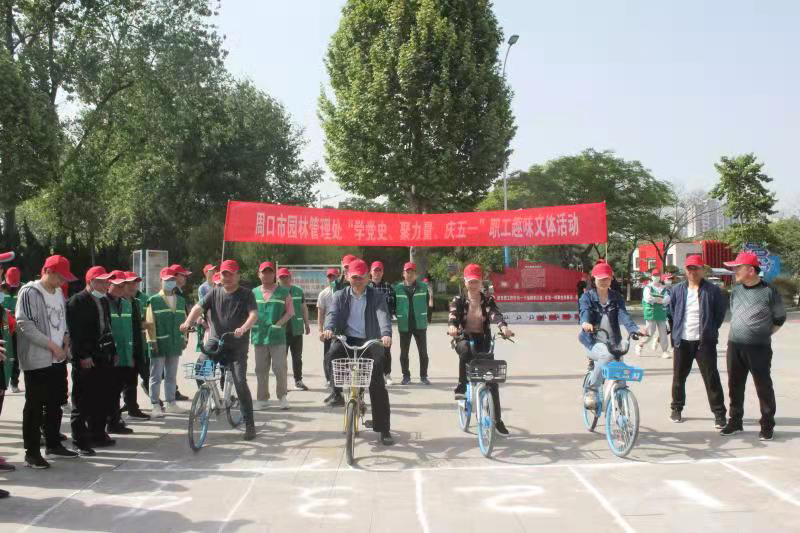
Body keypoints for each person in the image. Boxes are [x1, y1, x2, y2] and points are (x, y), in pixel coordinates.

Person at [181, 259, 258, 440]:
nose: (227, 277)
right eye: (224, 274)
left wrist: (244, 328)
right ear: (220, 276)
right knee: (200, 368)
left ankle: (250, 425)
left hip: (237, 345)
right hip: (216, 342)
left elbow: (254, 314)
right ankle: (207, 397)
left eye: (231, 274)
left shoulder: (246, 294)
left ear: (238, 276)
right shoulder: (214, 292)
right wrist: (187, 322)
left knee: (240, 382)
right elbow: (198, 307)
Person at [322, 259, 394, 445]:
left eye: (361, 277)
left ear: (367, 277)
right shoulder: (340, 295)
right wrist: (328, 329)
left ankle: (383, 428)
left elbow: (383, 315)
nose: (358, 281)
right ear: (347, 277)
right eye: (354, 277)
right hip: (347, 338)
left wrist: (385, 334)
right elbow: (332, 314)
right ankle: (336, 392)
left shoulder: (376, 296)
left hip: (370, 340)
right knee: (332, 353)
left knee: (377, 383)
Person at [16, 256, 79, 466]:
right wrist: (52, 346)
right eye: (60, 276)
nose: (63, 281)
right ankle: (32, 452)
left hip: (58, 359)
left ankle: (53, 443)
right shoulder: (29, 292)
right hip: (38, 359)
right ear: (48, 271)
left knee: (55, 403)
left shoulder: (58, 292)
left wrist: (66, 340)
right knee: (35, 406)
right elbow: (25, 324)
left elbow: (62, 320)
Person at [720, 252, 786, 440]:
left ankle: (767, 425)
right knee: (735, 385)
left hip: (759, 348)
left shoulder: (769, 291)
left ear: (750, 270)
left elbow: (780, 318)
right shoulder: (736, 290)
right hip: (734, 346)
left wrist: (762, 334)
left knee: (763, 386)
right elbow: (734, 312)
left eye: (737, 268)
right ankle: (735, 422)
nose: (734, 271)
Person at [448, 264, 515, 434]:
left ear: (481, 282)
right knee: (464, 350)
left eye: (476, 282)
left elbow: (495, 314)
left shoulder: (487, 300)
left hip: (483, 340)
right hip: (464, 338)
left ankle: (497, 420)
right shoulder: (459, 300)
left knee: (492, 380)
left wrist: (503, 327)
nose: (473, 285)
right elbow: (453, 315)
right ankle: (461, 387)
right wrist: (452, 327)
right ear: (465, 282)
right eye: (470, 282)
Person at [667, 255, 727, 427]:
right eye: (689, 268)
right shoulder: (676, 290)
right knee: (679, 378)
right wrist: (677, 331)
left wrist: (710, 330)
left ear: (702, 270)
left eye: (696, 268)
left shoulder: (713, 291)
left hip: (704, 342)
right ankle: (676, 408)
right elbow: (672, 312)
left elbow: (719, 314)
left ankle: (719, 414)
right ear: (685, 270)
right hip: (682, 341)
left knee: (711, 378)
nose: (692, 271)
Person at [579, 262, 647, 408]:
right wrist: (585, 323)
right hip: (592, 342)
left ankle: (622, 408)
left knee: (620, 371)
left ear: (611, 279)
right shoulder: (587, 297)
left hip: (613, 342)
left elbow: (624, 316)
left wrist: (634, 330)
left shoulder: (616, 297)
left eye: (607, 278)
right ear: (594, 279)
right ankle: (592, 389)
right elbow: (585, 312)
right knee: (607, 355)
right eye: (601, 278)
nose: (604, 281)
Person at [67, 265, 119, 454]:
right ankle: (80, 440)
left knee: (101, 397)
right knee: (82, 401)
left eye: (107, 281)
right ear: (90, 282)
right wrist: (83, 355)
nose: (106, 285)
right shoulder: (77, 301)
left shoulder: (103, 300)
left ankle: (98, 434)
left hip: (103, 355)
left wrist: (113, 350)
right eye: (102, 282)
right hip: (85, 357)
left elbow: (107, 328)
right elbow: (75, 333)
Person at [144, 267, 188, 418]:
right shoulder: (154, 300)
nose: (170, 282)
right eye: (167, 280)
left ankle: (171, 403)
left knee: (171, 375)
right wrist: (152, 341)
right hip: (159, 343)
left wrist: (184, 338)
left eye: (172, 280)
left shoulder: (181, 300)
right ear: (161, 281)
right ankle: (155, 405)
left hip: (175, 343)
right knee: (156, 375)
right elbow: (149, 323)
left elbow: (184, 321)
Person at [251, 262, 294, 410]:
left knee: (280, 367)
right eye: (264, 272)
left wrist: (278, 324)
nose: (267, 274)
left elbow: (290, 312)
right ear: (259, 274)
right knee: (260, 369)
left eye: (269, 272)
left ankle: (282, 397)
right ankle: (262, 399)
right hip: (259, 336)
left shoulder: (283, 292)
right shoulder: (253, 293)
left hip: (277, 336)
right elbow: (248, 312)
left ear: (274, 274)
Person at [105, 271, 138, 434]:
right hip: (109, 354)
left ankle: (115, 420)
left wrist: (131, 354)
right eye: (117, 285)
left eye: (122, 285)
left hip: (124, 354)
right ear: (109, 284)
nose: (120, 288)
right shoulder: (103, 303)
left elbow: (130, 331)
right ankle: (111, 421)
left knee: (118, 388)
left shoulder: (126, 304)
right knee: (109, 390)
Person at [393, 262, 431, 385]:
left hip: (420, 324)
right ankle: (406, 376)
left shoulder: (423, 287)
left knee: (423, 353)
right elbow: (394, 304)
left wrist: (427, 316)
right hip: (404, 324)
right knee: (404, 353)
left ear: (416, 274)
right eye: (407, 272)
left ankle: (423, 376)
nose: (409, 275)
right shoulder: (397, 288)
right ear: (403, 274)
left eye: (412, 272)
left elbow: (427, 302)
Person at [121, 271, 149, 420]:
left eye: (136, 283)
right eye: (130, 283)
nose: (133, 286)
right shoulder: (117, 302)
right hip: (123, 348)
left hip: (137, 347)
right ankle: (119, 411)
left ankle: (132, 407)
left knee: (132, 380)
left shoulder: (136, 302)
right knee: (121, 381)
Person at [278, 268, 311, 391]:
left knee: (297, 358)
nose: (284, 279)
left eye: (286, 277)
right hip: (281, 331)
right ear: (278, 279)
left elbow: (304, 308)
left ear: (290, 277)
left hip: (296, 330)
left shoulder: (298, 291)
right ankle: (282, 384)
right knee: (281, 359)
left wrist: (307, 324)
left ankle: (298, 381)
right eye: (281, 277)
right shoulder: (275, 292)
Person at [368, 261, 396, 385]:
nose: (377, 273)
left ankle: (387, 374)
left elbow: (393, 303)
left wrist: (392, 314)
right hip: (370, 323)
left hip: (385, 323)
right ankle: (372, 374)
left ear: (382, 272)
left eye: (379, 270)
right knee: (370, 349)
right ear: (370, 272)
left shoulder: (388, 287)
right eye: (375, 270)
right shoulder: (366, 287)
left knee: (386, 349)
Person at [168, 264, 192, 402]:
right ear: (175, 276)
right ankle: (172, 392)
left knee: (170, 367)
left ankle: (173, 390)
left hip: (179, 333)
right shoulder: (173, 292)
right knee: (168, 367)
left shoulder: (178, 291)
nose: (185, 278)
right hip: (174, 334)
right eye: (183, 275)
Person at [636, 270, 671, 359]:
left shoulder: (663, 288)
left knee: (663, 333)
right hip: (651, 313)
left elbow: (667, 299)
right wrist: (659, 299)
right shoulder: (648, 288)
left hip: (661, 313)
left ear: (660, 276)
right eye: (655, 275)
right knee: (650, 334)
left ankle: (664, 351)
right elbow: (648, 298)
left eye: (658, 275)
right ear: (651, 276)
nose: (656, 277)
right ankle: (640, 345)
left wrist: (659, 300)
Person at [317, 268, 339, 386]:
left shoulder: (344, 291)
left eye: (334, 276)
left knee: (341, 354)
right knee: (328, 354)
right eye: (329, 277)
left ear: (338, 277)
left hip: (342, 329)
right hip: (328, 330)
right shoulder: (323, 293)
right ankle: (329, 378)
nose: (332, 279)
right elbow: (320, 313)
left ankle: (340, 377)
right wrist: (320, 330)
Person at [3, 267, 22, 393]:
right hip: (3, 328)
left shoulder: (23, 288)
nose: (13, 287)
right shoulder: (0, 288)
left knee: (16, 356)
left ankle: (14, 383)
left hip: (17, 328)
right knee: (3, 355)